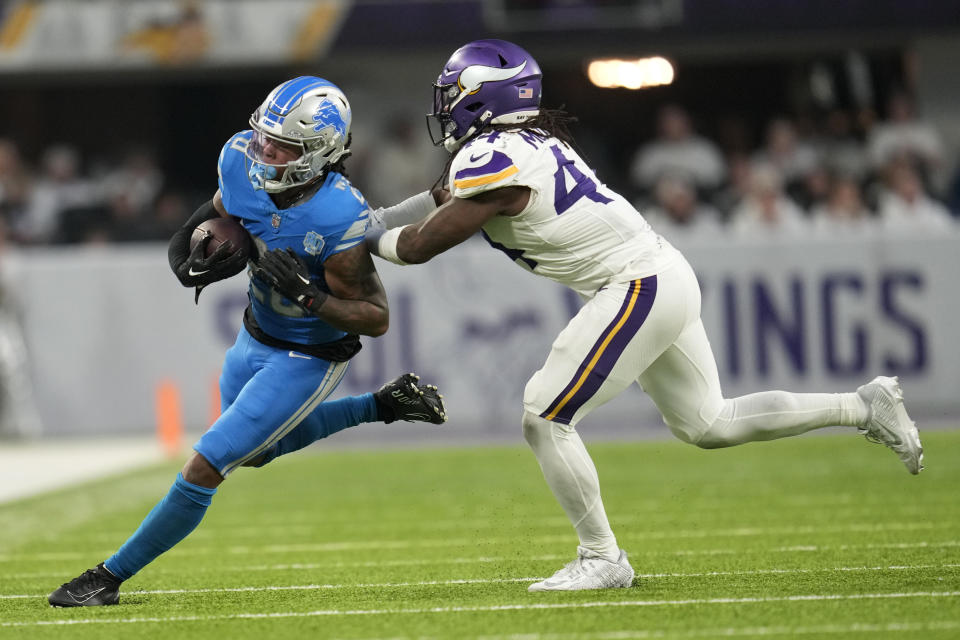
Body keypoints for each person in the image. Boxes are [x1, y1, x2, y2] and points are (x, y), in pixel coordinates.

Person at [366, 39, 924, 592]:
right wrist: (366, 222)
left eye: (451, 94)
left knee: (544, 412)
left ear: (481, 99)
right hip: (661, 275)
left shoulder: (493, 160)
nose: (442, 107)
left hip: (636, 282)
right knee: (710, 422)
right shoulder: (519, 147)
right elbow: (432, 201)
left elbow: (416, 246)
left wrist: (359, 243)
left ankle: (602, 556)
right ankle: (861, 406)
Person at [48, 76, 446, 607]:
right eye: (263, 137)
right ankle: (382, 405)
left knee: (207, 463)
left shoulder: (337, 217)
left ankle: (106, 578)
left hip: (310, 353)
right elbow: (216, 211)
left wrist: (310, 298)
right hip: (255, 332)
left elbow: (374, 318)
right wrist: (186, 257)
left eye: (280, 146)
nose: (263, 151)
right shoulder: (239, 158)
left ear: (318, 153)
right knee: (255, 454)